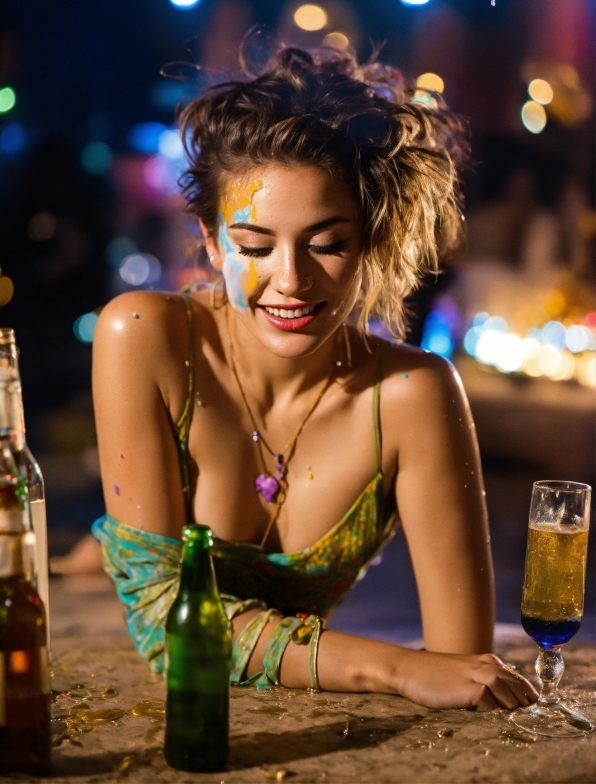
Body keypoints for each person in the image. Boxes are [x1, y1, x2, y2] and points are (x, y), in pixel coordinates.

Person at [92, 48, 538, 711]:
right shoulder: (144, 335)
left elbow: (461, 667)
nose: (291, 280)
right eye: (253, 247)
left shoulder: (413, 394)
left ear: (370, 240)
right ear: (211, 243)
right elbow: (164, 624)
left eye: (327, 243)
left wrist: (429, 671)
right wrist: (391, 669)